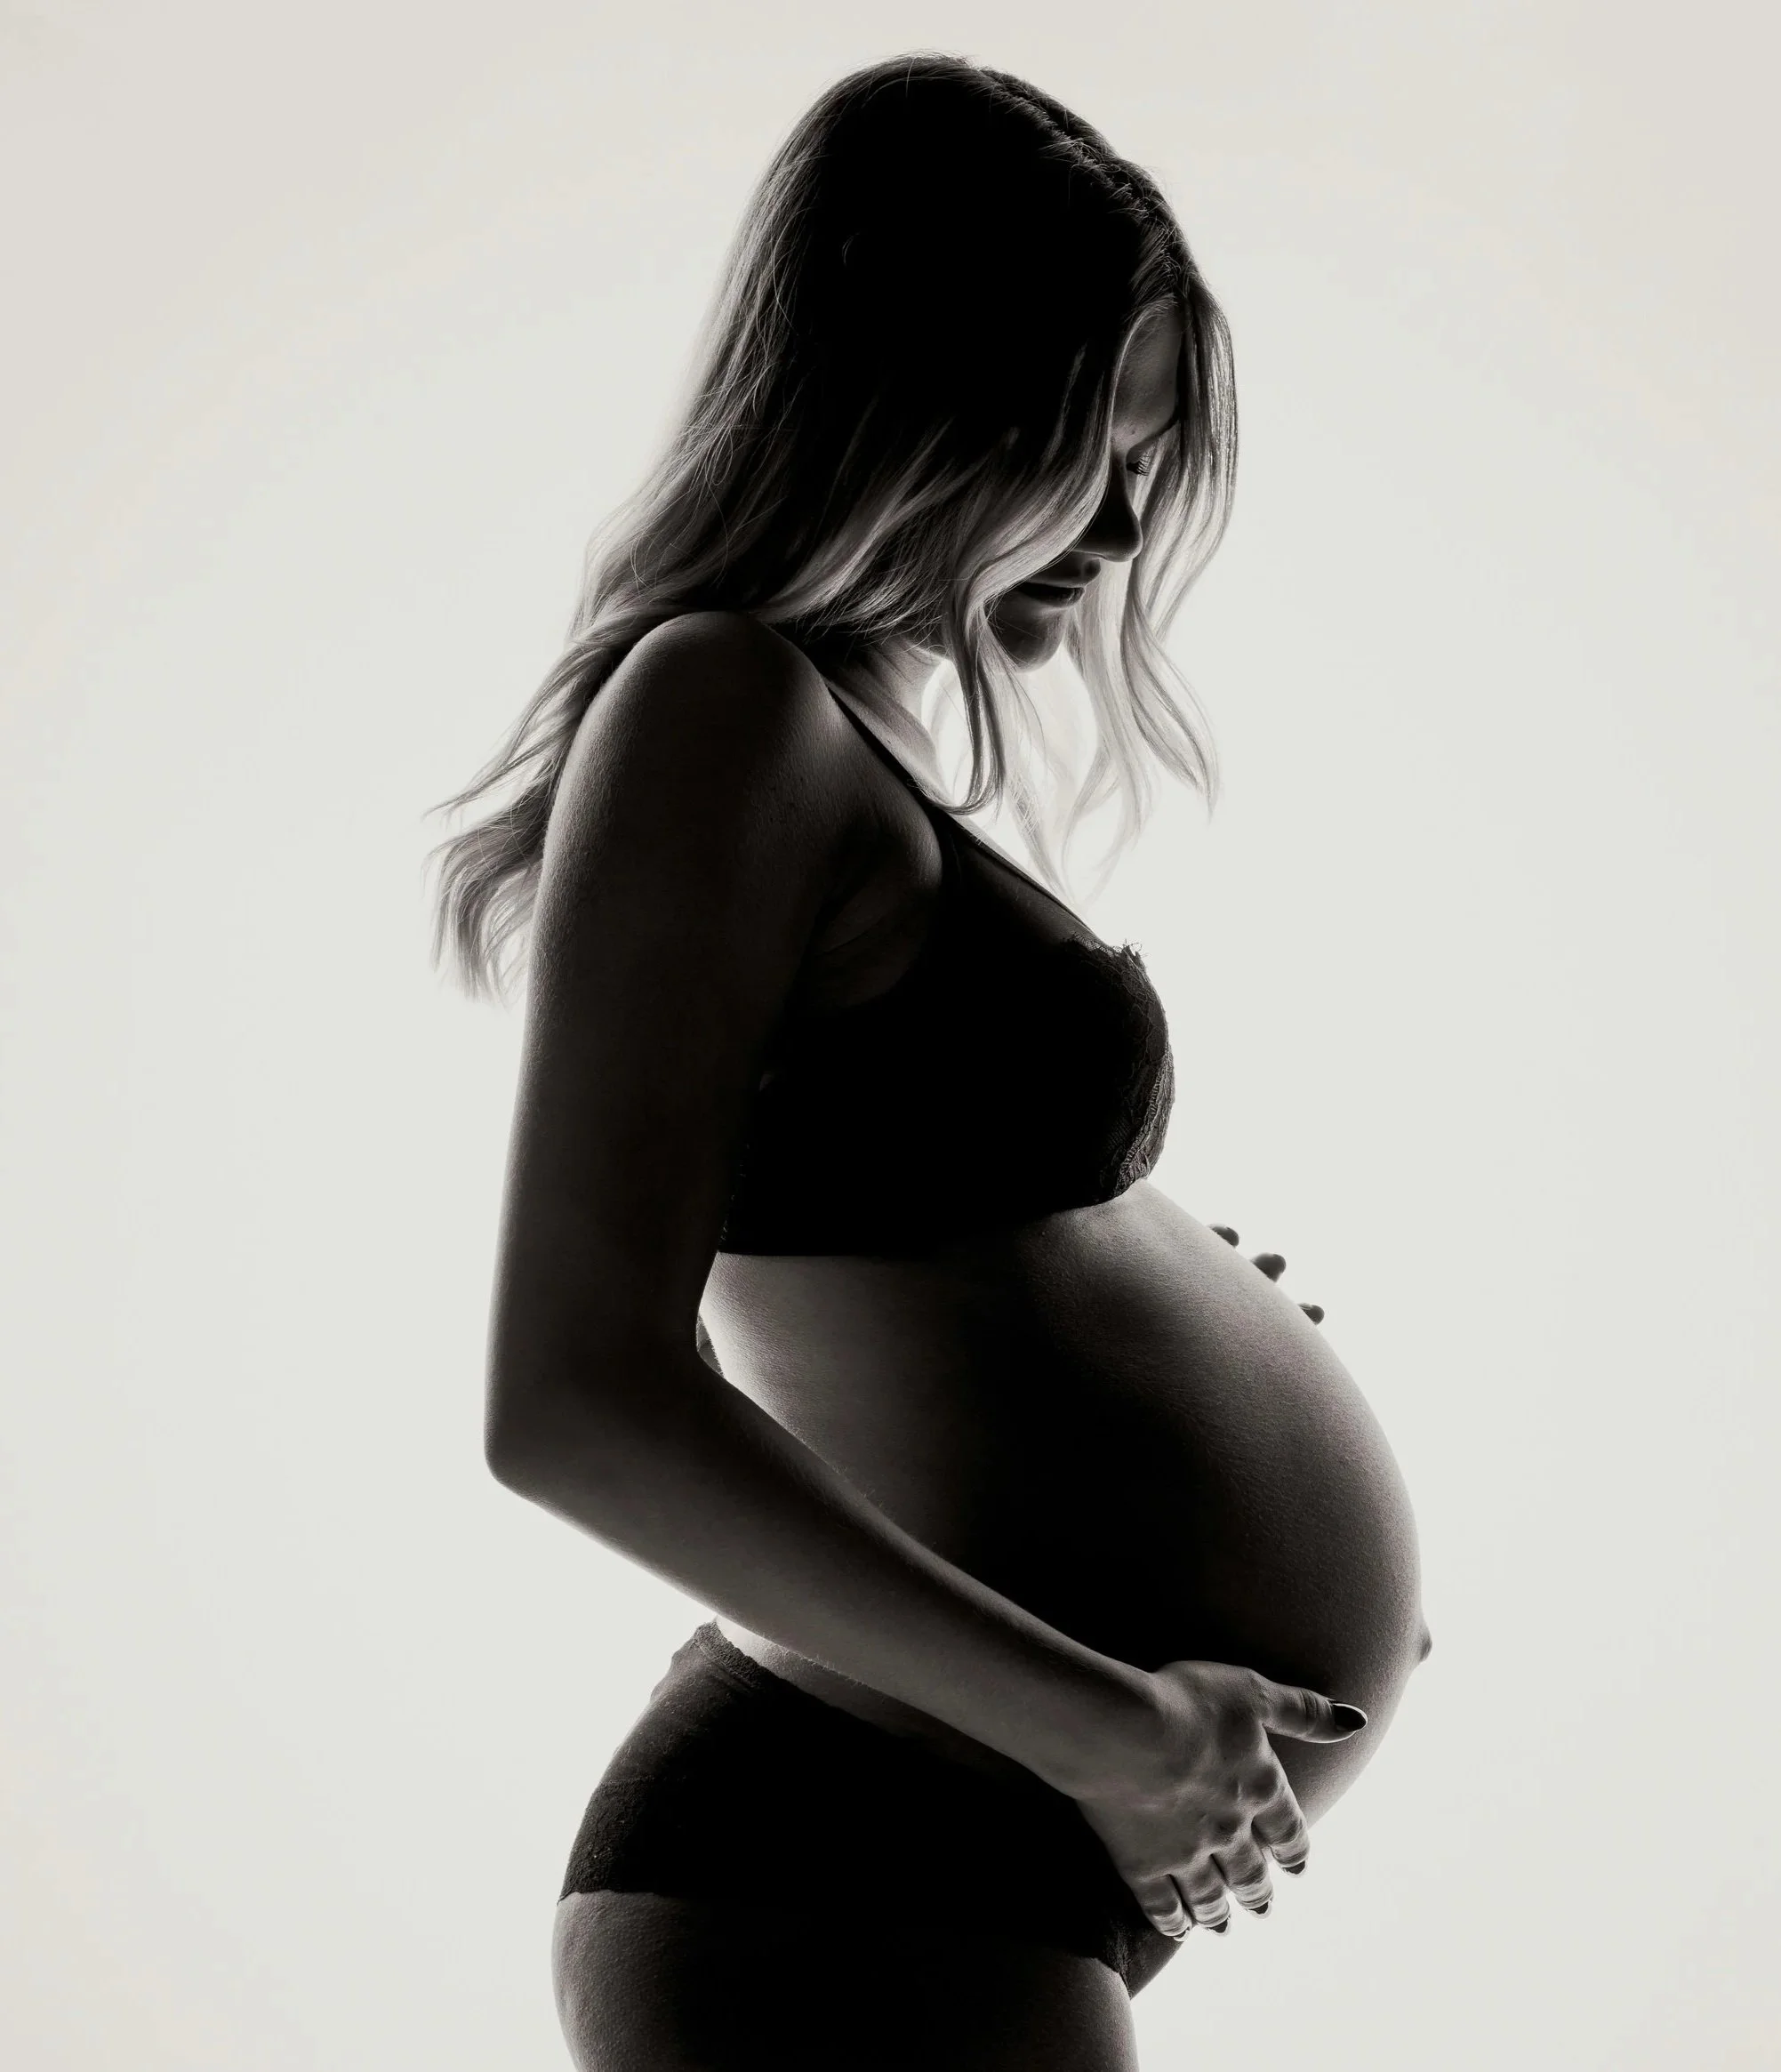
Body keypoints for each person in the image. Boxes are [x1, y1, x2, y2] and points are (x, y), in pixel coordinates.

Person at [430, 52, 1428, 2072]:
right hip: (843, 1862)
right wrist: (1119, 1724)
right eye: (1090, 444)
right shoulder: (719, 706)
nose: (1134, 516)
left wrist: (1136, 1312)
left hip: (936, 1859)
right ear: (916, 409)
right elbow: (570, 1399)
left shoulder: (851, 743)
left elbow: (896, 1223)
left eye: (1156, 457)